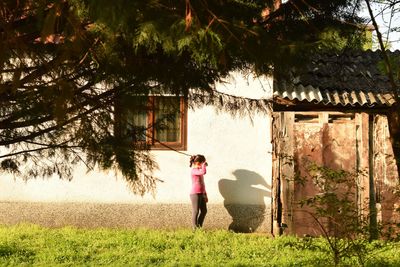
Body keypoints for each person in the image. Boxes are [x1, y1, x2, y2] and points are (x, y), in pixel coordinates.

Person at [189, 154, 208, 229]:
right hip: (195, 194)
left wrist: (205, 195)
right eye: (201, 163)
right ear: (197, 163)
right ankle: (194, 229)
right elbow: (203, 172)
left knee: (204, 211)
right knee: (196, 211)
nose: (202, 165)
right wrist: (204, 165)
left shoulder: (199, 171)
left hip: (201, 193)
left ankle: (199, 227)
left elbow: (202, 184)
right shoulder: (194, 171)